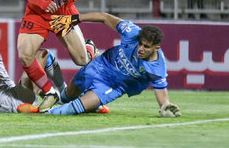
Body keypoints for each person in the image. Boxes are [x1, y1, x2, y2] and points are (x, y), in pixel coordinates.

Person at [18, 0, 132, 112]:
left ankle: (89, 49)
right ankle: (50, 92)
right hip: (38, 14)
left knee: (81, 60)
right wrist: (42, 3)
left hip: (64, 15)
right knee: (25, 54)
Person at [48, 12, 181, 118]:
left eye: (146, 47)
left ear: (156, 48)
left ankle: (46, 113)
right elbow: (104, 17)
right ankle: (94, 58)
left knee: (76, 108)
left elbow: (161, 92)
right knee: (68, 94)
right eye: (140, 44)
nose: (140, 48)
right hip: (102, 64)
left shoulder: (157, 67)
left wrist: (165, 106)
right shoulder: (132, 32)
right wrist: (73, 19)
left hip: (116, 86)